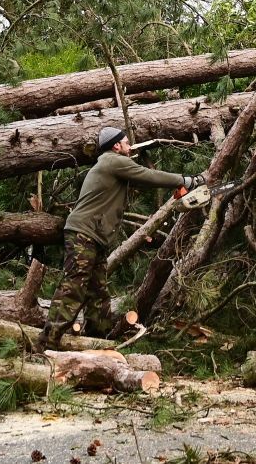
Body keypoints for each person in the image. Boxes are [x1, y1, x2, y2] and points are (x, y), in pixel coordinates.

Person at [34, 126, 203, 351]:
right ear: (116, 145)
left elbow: (143, 177)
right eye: (125, 142)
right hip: (85, 234)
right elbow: (149, 176)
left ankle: (96, 344)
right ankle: (45, 345)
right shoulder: (112, 161)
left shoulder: (113, 165)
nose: (129, 146)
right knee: (73, 287)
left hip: (93, 236)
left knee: (98, 294)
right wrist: (186, 180)